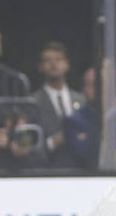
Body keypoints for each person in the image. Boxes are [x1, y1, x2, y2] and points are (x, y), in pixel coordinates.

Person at [30, 41, 86, 169]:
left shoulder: (81, 100)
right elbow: (29, 148)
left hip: (81, 173)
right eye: (48, 60)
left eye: (58, 59)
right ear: (40, 67)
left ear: (67, 65)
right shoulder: (32, 102)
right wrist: (52, 143)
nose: (54, 64)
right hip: (46, 172)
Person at [63, 67, 97, 169]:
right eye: (91, 84)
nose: (98, 88)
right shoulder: (73, 120)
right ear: (83, 90)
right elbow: (83, 151)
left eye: (101, 84)